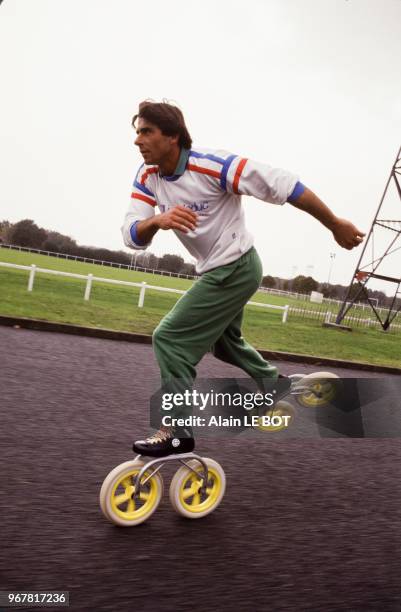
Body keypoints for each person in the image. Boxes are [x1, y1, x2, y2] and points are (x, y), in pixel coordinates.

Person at [121, 100, 365, 457]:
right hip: (219, 269)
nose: (137, 140)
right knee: (223, 342)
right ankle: (274, 384)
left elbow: (282, 184)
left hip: (235, 266)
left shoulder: (212, 166)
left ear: (172, 136)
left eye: (146, 132)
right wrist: (156, 221)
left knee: (169, 339)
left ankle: (176, 430)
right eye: (136, 132)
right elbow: (131, 235)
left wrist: (333, 223)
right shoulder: (148, 176)